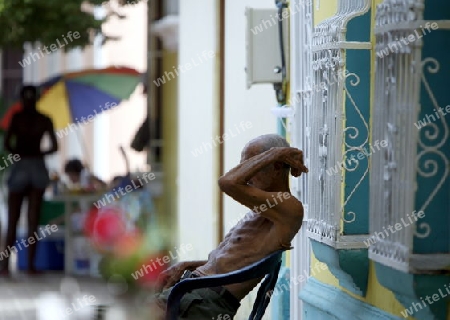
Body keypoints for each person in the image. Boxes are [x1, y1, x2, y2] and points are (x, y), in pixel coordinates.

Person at [154, 134, 308, 319]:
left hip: (203, 302)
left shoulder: (289, 207)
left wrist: (276, 153)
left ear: (275, 166)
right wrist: (187, 265)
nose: (244, 174)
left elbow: (227, 182)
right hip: (192, 292)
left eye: (250, 166)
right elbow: (233, 264)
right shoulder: (264, 209)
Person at [0, 85, 58, 275]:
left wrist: (20, 152)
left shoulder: (17, 118)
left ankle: (6, 265)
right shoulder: (44, 119)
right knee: (32, 219)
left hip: (22, 165)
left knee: (14, 219)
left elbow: (8, 143)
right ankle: (30, 266)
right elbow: (54, 146)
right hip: (36, 166)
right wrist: (39, 153)